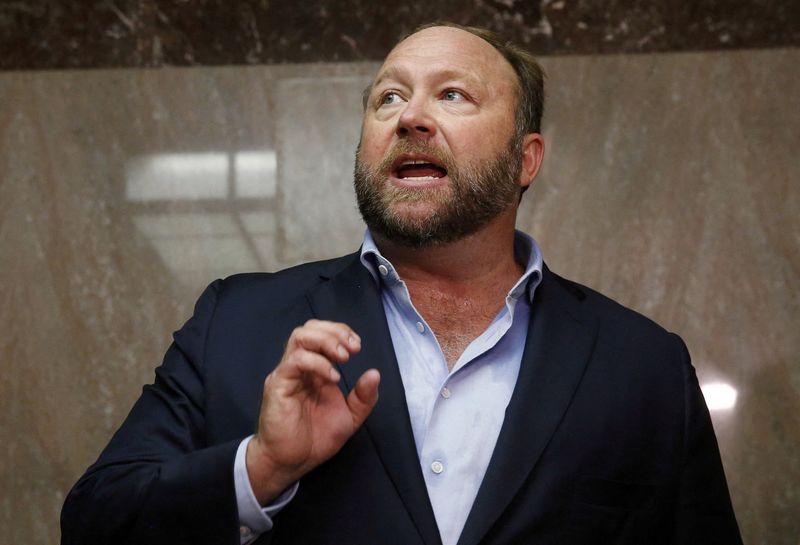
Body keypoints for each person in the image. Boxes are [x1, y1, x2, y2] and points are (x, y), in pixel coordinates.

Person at [61, 22, 742, 545]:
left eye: (453, 94)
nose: (410, 117)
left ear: (525, 158)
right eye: (388, 97)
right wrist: (261, 468)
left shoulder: (644, 365)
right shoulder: (235, 323)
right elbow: (94, 521)